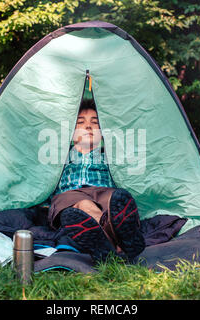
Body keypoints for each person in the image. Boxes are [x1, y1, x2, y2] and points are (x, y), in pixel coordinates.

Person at [48, 99, 145, 263]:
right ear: (71, 132)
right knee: (83, 206)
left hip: (104, 192)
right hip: (71, 195)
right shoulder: (61, 155)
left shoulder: (109, 156)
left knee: (118, 201)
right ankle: (118, 243)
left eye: (95, 123)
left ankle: (110, 242)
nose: (88, 126)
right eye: (80, 122)